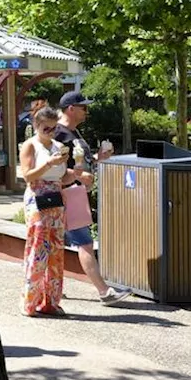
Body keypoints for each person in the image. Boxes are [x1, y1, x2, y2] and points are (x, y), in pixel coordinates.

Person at [54, 91, 132, 306]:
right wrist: (79, 175)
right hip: (69, 195)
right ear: (71, 108)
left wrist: (98, 158)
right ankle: (104, 292)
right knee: (85, 243)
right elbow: (56, 170)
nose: (86, 111)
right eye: (83, 107)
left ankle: (53, 286)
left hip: (74, 194)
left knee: (57, 243)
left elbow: (80, 162)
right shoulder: (59, 134)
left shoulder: (72, 131)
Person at [21, 105, 75, 316]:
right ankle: (30, 302)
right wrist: (49, 164)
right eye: (46, 129)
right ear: (36, 126)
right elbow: (27, 175)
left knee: (55, 250)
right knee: (38, 248)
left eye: (53, 129)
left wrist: (76, 173)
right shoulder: (30, 146)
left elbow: (63, 177)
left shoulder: (58, 146)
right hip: (37, 197)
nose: (50, 132)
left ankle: (51, 301)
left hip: (56, 197)